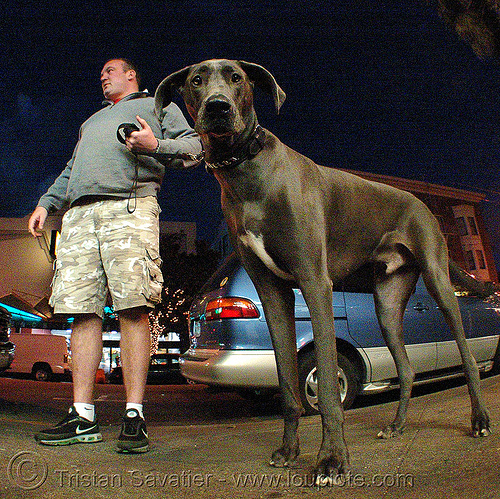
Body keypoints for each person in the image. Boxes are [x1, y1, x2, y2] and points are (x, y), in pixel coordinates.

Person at [28, 58, 203, 453]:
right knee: (82, 311)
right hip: (78, 217)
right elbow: (71, 169)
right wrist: (46, 202)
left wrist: (155, 145)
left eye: (111, 70)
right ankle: (82, 415)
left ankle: (134, 414)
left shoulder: (158, 105)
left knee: (133, 306)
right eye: (100, 72)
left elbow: (195, 147)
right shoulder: (90, 123)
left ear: (131, 76)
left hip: (130, 206)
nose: (103, 75)